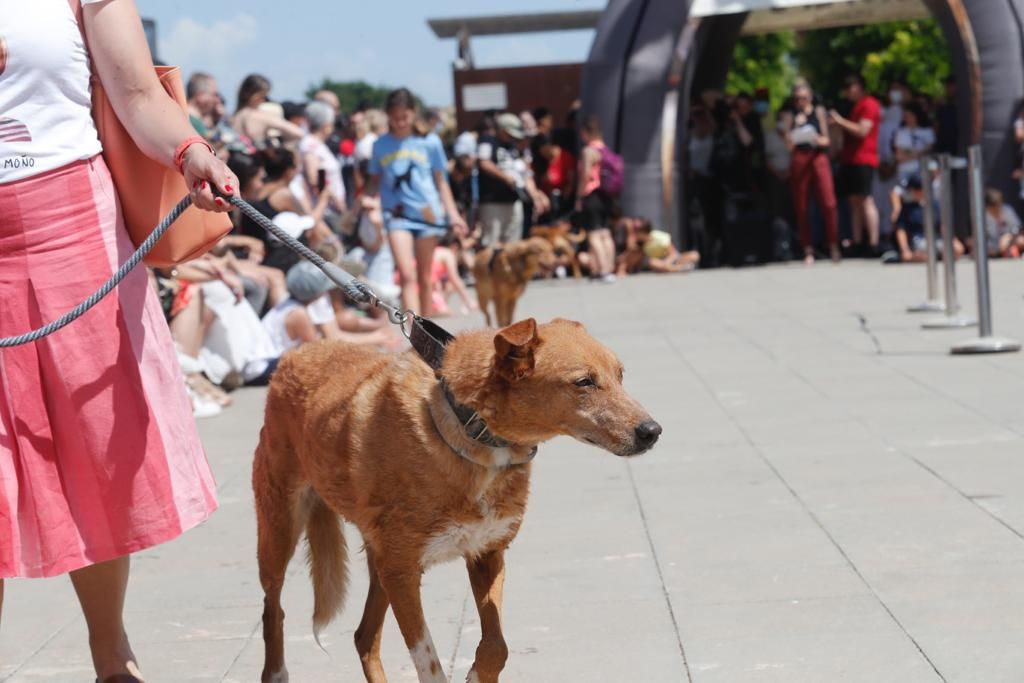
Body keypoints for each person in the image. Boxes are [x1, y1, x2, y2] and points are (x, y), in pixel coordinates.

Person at [0, 0, 240, 679]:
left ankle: (111, 652)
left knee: (98, 446)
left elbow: (137, 94)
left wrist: (191, 149)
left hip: (73, 229)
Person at [366, 88, 467, 315]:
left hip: (427, 212)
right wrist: (367, 199)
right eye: (395, 118)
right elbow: (374, 179)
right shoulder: (380, 144)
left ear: (414, 113)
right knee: (406, 273)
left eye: (405, 117)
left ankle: (426, 328)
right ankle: (412, 330)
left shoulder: (430, 142)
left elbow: (441, 182)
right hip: (396, 214)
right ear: (388, 116)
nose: (400, 122)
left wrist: (453, 215)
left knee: (425, 274)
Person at [783, 83, 840, 264]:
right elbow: (788, 145)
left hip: (817, 157)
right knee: (802, 206)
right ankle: (807, 249)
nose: (801, 101)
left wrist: (814, 138)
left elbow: (826, 139)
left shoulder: (819, 112)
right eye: (797, 98)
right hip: (799, 157)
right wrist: (793, 130)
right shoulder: (790, 115)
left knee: (829, 203)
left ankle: (833, 245)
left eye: (804, 98)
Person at [830, 74, 882, 256]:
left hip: (864, 159)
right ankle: (857, 242)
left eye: (850, 87)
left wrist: (840, 121)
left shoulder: (870, 104)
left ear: (860, 87)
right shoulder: (854, 107)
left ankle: (874, 243)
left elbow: (862, 130)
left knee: (866, 199)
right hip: (849, 159)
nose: (847, 92)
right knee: (853, 202)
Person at [576, 114, 620, 282]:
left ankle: (602, 271)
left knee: (594, 235)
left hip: (592, 195)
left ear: (586, 132)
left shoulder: (589, 151)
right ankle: (609, 269)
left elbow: (586, 174)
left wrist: (579, 196)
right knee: (605, 233)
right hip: (606, 196)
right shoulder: (605, 149)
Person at [231, 74, 305, 148]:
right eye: (264, 96)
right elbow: (298, 133)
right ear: (257, 96)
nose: (265, 100)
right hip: (257, 158)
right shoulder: (260, 116)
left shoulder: (234, 117)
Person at [982, 189, 1024, 258]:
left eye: (998, 207)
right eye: (993, 209)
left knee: (1021, 241)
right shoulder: (983, 215)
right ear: (987, 207)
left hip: (1010, 241)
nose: (996, 210)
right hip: (992, 243)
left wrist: (1009, 236)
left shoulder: (1007, 210)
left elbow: (1018, 227)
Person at [186, 72, 218, 140]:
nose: (216, 100)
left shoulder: (181, 115)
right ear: (200, 95)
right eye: (214, 94)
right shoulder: (194, 123)